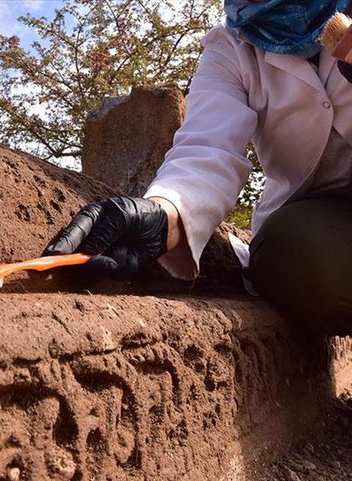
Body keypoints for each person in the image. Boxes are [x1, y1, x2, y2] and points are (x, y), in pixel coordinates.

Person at [44, 0, 352, 335]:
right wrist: (165, 212)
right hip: (325, 218)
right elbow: (208, 145)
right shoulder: (231, 48)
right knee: (299, 256)